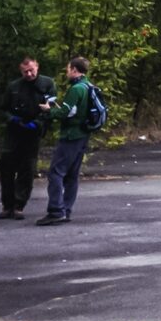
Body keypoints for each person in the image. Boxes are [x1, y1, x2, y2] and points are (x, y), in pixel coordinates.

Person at [37, 56, 104, 226]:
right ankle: (66, 209)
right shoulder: (88, 86)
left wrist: (48, 111)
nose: (67, 71)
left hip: (71, 135)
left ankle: (56, 210)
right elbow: (73, 111)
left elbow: (64, 113)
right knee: (72, 174)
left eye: (68, 69)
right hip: (83, 134)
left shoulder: (75, 89)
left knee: (56, 172)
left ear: (74, 70)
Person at [0, 56, 54, 220]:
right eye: (25, 71)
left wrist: (38, 123)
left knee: (27, 169)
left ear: (37, 67)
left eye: (31, 70)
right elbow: (2, 109)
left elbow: (51, 108)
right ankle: (7, 205)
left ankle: (19, 205)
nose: (28, 74)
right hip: (14, 131)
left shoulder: (47, 84)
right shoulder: (14, 87)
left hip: (33, 132)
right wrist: (12, 119)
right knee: (6, 167)